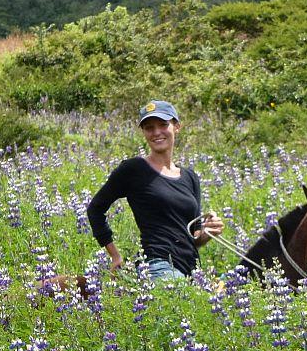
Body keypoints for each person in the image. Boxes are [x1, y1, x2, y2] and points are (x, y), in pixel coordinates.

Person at [87, 100, 224, 280]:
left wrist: (208, 232)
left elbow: (194, 238)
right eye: (149, 128)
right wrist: (115, 255)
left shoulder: (190, 177)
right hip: (156, 265)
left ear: (177, 127)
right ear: (144, 132)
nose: (156, 132)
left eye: (163, 125)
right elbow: (95, 209)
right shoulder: (134, 169)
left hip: (191, 269)